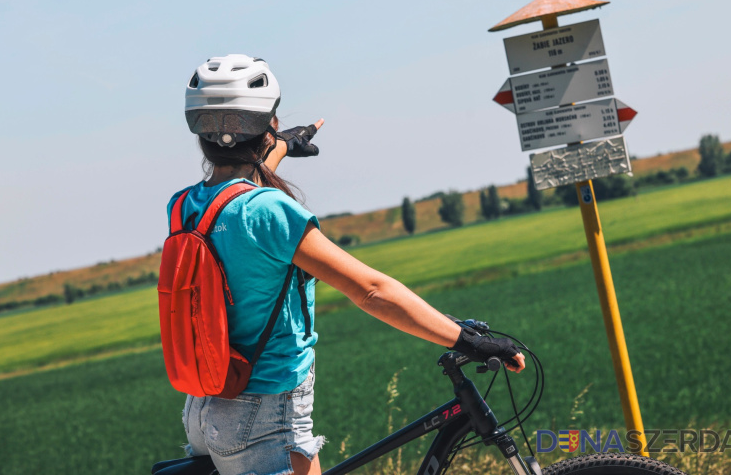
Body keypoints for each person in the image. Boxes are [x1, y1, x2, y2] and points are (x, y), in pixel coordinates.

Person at [170, 54, 526, 475]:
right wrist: (467, 340)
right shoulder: (269, 211)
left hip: (207, 404)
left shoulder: (186, 206)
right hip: (263, 417)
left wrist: (279, 147)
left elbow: (238, 198)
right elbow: (371, 290)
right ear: (267, 124)